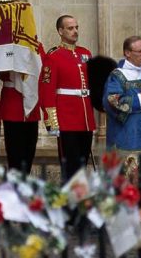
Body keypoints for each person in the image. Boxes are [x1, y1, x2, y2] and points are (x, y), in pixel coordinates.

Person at [40, 15, 95, 181]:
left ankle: (78, 203)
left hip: (85, 120)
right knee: (70, 169)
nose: (75, 31)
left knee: (82, 166)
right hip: (66, 120)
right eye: (70, 28)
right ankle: (69, 206)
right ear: (60, 31)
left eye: (76, 27)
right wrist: (52, 123)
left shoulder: (85, 53)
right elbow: (47, 91)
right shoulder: (53, 56)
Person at [103, 35, 141, 152]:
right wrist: (140, 97)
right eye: (140, 51)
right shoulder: (117, 76)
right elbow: (112, 101)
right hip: (126, 140)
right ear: (127, 53)